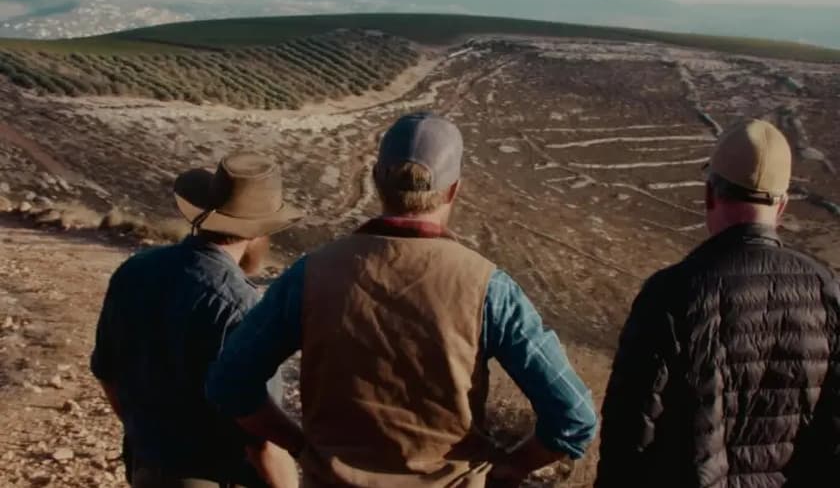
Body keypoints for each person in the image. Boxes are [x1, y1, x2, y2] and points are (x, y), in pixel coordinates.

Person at [206, 112, 598, 487]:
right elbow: (574, 416)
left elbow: (229, 383)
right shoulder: (487, 287)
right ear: (455, 189)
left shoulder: (311, 274)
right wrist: (510, 467)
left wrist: (302, 446)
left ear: (376, 179)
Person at [595, 119, 840, 488]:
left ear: (710, 194)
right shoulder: (827, 291)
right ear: (783, 206)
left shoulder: (672, 293)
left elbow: (629, 438)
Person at [90, 153, 304, 487]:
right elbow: (260, 438)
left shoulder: (134, 270)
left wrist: (149, 441)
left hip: (145, 470)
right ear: (259, 233)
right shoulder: (240, 304)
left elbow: (107, 373)